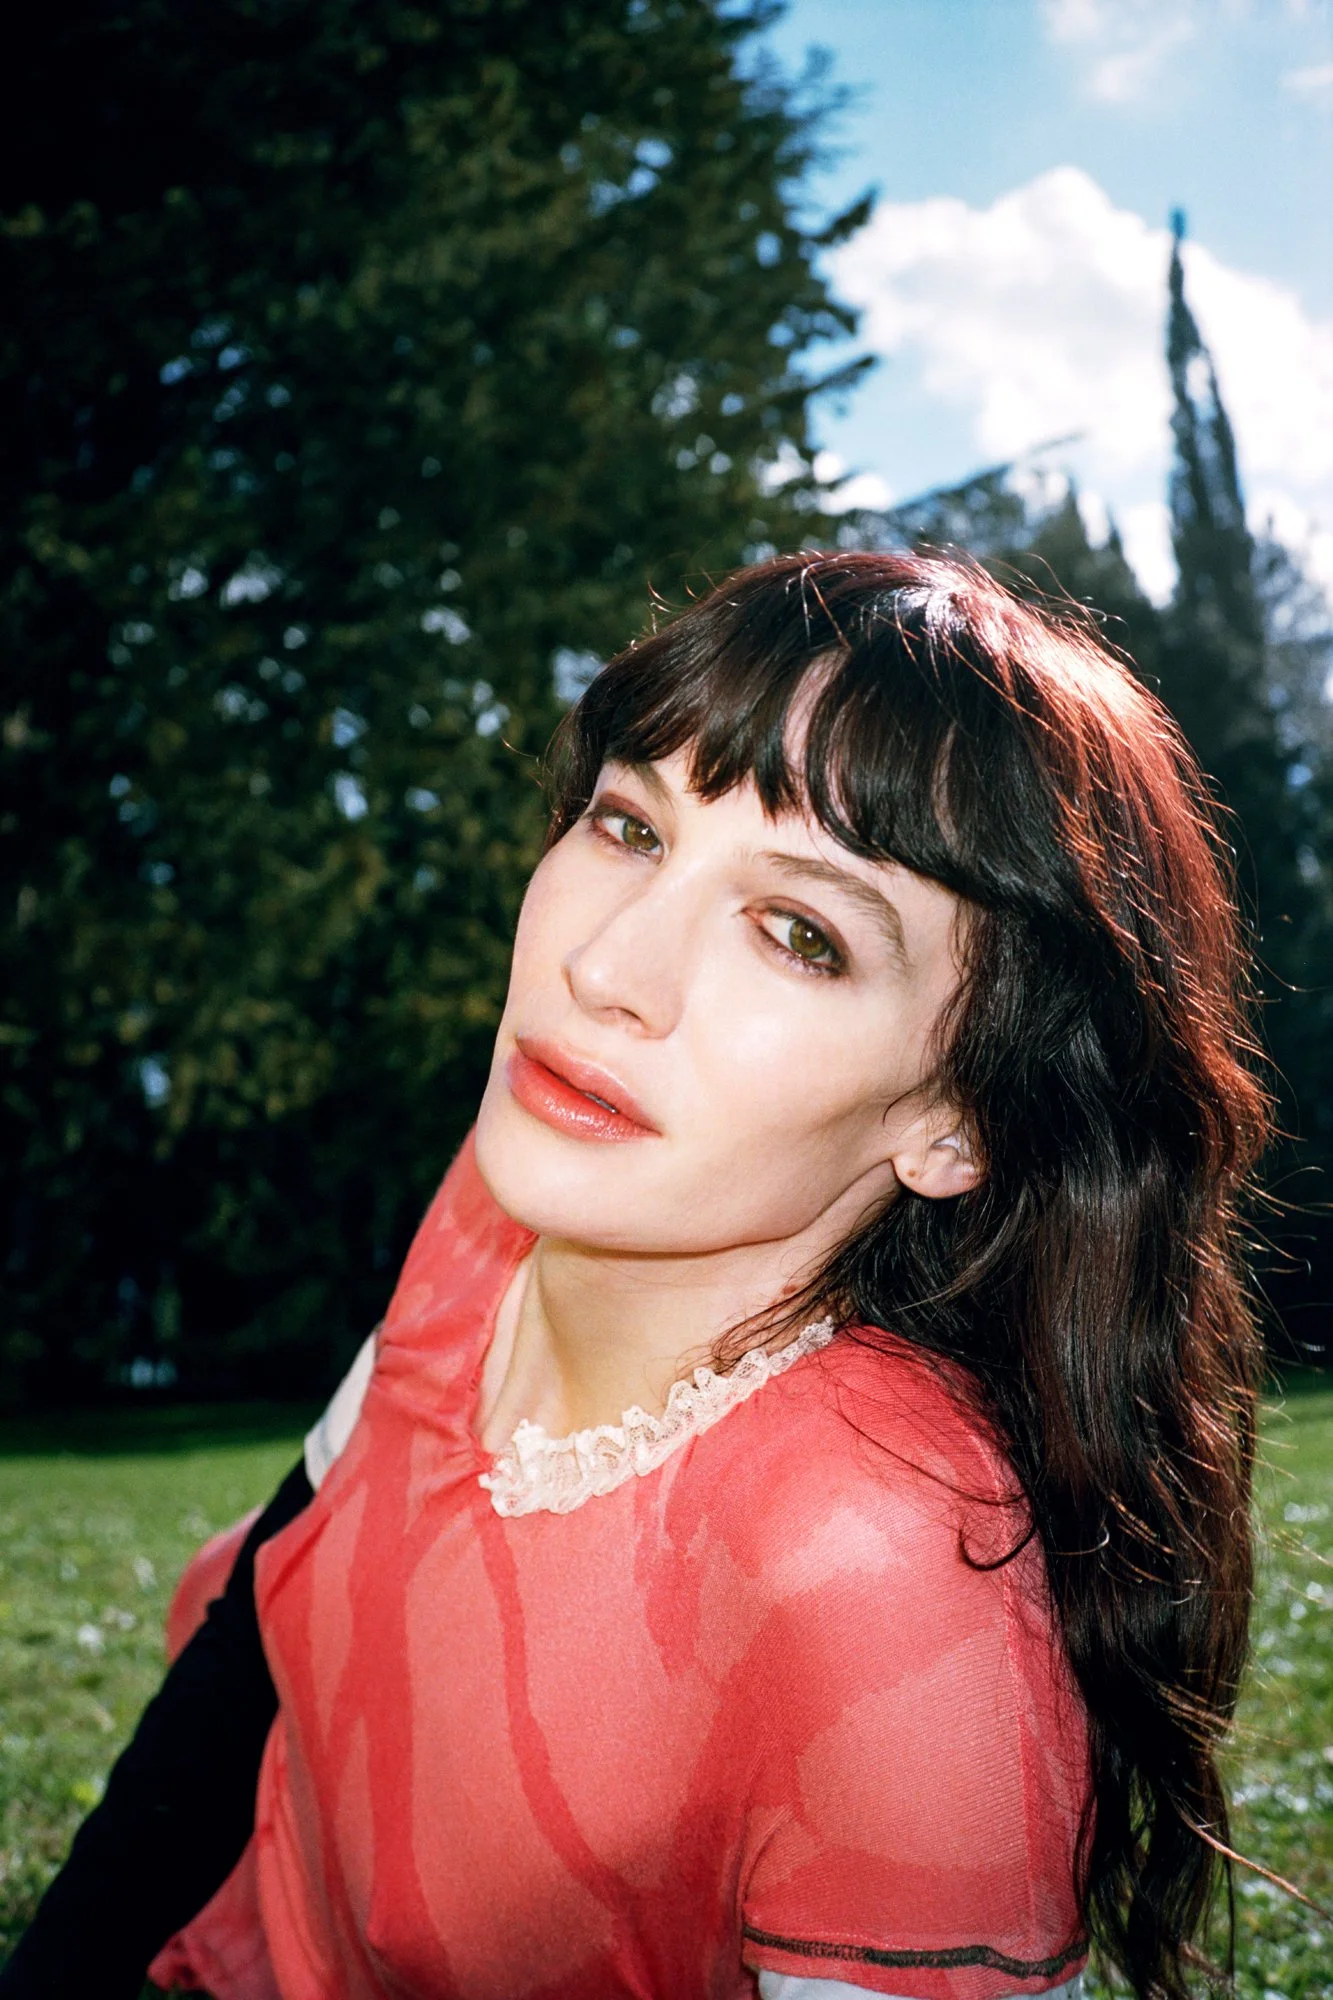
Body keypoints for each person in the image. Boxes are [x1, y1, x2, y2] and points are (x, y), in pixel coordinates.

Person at [1, 551, 1268, 2000]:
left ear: (958, 1120)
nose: (605, 967)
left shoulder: (885, 1593)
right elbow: (253, 1651)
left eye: (800, 935)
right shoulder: (509, 1197)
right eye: (629, 825)